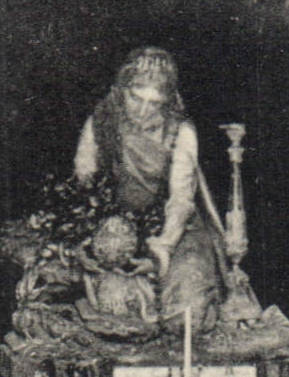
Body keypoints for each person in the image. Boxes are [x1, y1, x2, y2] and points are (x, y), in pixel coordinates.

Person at [73, 47, 223, 332]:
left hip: (175, 233)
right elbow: (83, 187)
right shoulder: (102, 123)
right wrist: (90, 238)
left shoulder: (181, 132)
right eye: (136, 98)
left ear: (167, 102)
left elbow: (181, 199)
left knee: (186, 317)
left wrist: (161, 250)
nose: (142, 110)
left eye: (154, 103)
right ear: (122, 90)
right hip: (114, 229)